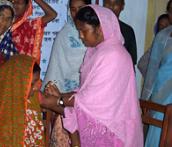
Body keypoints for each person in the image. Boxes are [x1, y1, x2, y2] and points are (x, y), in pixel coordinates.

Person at [41, 5, 143, 147]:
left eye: (84, 30)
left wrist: (58, 101)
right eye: (79, 31)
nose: (80, 36)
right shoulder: (98, 51)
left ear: (100, 29)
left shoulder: (113, 55)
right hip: (104, 123)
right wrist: (60, 96)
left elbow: (91, 100)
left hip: (113, 131)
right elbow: (88, 92)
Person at [41, 0, 91, 146]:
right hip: (64, 103)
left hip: (91, 105)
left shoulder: (99, 35)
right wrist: (55, 98)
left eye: (81, 8)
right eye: (73, 9)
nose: (77, 13)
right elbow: (55, 68)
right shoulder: (64, 34)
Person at [0, 55, 45, 146]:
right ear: (17, 82)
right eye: (32, 84)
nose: (36, 88)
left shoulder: (31, 104)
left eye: (37, 82)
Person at [141, 25, 172, 147]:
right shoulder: (163, 37)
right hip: (163, 96)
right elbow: (152, 69)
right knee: (158, 135)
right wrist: (146, 98)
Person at [103, 0, 137, 67]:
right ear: (103, 5)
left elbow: (132, 59)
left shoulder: (128, 31)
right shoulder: (95, 28)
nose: (111, 6)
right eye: (108, 3)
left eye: (116, 3)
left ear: (122, 6)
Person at [138, 13, 170, 78]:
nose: (163, 29)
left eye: (166, 26)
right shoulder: (157, 44)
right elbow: (141, 64)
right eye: (161, 26)